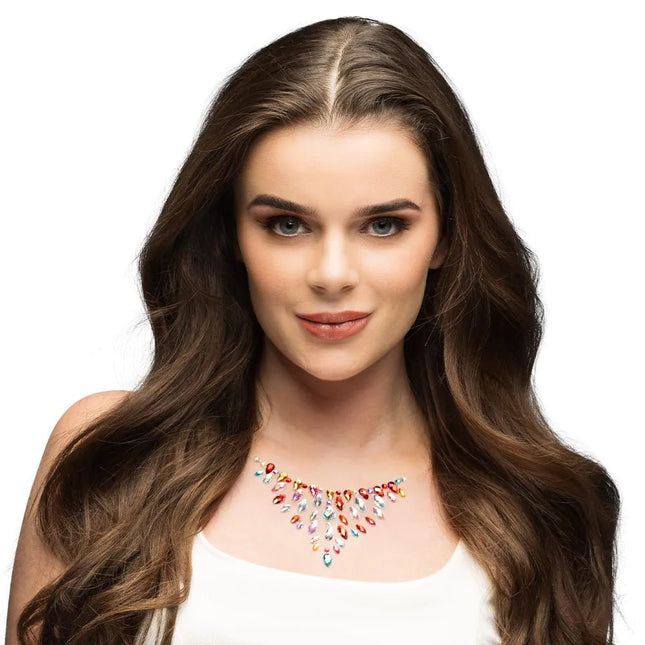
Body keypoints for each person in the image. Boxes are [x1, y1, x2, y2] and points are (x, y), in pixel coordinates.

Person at [6, 15, 620, 645]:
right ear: (231, 235)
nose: (332, 274)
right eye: (287, 225)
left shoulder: (543, 508)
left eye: (383, 225)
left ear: (446, 236)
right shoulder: (111, 458)